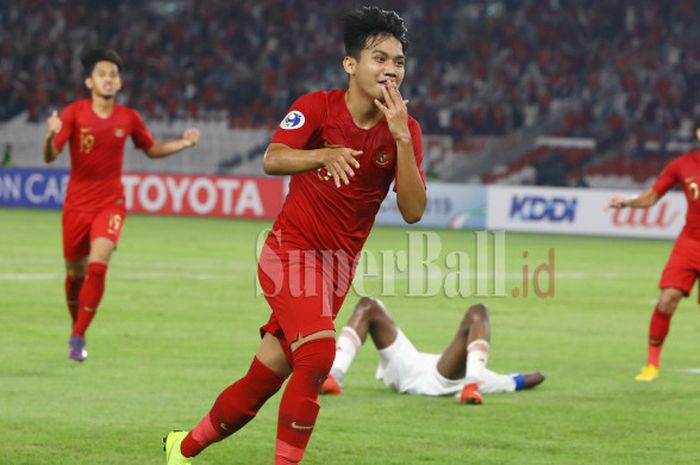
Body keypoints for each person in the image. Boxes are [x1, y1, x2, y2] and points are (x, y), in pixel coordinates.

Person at [163, 6, 426, 465]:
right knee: (319, 354)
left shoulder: (405, 130)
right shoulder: (317, 107)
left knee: (263, 380)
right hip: (288, 253)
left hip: (336, 272)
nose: (390, 70)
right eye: (379, 58)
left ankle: (182, 448)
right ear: (351, 64)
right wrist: (322, 155)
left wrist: (402, 139)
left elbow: (412, 211)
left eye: (398, 61)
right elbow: (273, 158)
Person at [42, 48, 200, 362]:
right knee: (75, 273)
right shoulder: (74, 114)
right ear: (89, 81)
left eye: (113, 74)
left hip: (110, 203)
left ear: (119, 81)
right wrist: (49, 137)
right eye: (102, 74)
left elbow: (151, 149)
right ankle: (79, 324)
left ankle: (78, 337)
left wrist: (182, 143)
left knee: (98, 267)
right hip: (76, 205)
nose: (109, 79)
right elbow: (50, 156)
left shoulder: (129, 118)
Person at [320, 297, 545, 403]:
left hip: (433, 380)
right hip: (410, 365)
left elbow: (524, 380)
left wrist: (531, 379)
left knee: (478, 311)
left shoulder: (491, 379)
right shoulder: (490, 376)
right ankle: (334, 377)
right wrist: (537, 376)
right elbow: (529, 379)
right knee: (369, 305)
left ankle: (470, 387)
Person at [608, 143, 700, 381]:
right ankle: (652, 364)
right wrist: (627, 202)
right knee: (667, 299)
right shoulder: (682, 164)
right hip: (689, 244)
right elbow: (651, 197)